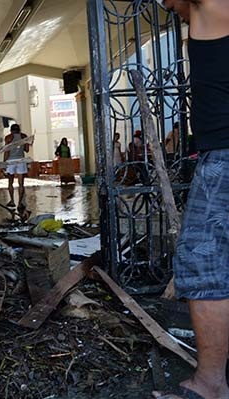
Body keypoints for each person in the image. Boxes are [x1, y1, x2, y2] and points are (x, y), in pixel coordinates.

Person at [153, 1, 229, 399]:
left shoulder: (214, 9)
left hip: (225, 158)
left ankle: (211, 383)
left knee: (202, 260)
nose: (166, 5)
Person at [3, 123, 32, 208]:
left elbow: (6, 151)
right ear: (19, 129)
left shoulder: (8, 137)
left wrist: (4, 163)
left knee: (10, 182)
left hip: (11, 161)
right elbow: (26, 150)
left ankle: (12, 201)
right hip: (21, 161)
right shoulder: (24, 136)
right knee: (21, 184)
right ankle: (20, 203)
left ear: (11, 130)